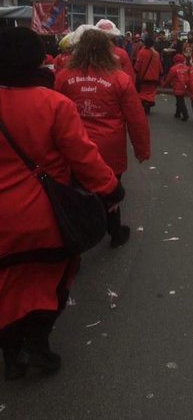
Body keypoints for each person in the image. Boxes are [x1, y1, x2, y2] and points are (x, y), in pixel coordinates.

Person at [0, 27, 124, 381]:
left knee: (7, 282)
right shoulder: (54, 104)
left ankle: (11, 350)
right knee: (52, 278)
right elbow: (83, 158)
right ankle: (36, 342)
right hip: (45, 216)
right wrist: (111, 189)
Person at [55, 29, 150, 246]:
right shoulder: (120, 79)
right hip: (110, 148)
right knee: (110, 189)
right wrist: (141, 149)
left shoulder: (63, 78)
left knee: (76, 193)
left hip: (74, 146)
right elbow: (136, 119)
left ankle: (76, 242)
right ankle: (114, 232)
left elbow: (54, 114)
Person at [134, 36, 162, 115]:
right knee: (150, 93)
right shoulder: (156, 53)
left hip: (144, 77)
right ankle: (148, 104)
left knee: (143, 93)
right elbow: (160, 67)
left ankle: (144, 105)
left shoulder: (142, 52)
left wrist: (135, 70)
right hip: (154, 78)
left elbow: (138, 65)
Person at [163, 53, 190, 121]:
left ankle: (185, 114)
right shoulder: (187, 68)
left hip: (178, 86)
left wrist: (164, 85)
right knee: (180, 100)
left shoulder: (173, 69)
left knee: (180, 101)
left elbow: (169, 79)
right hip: (186, 86)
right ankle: (178, 113)